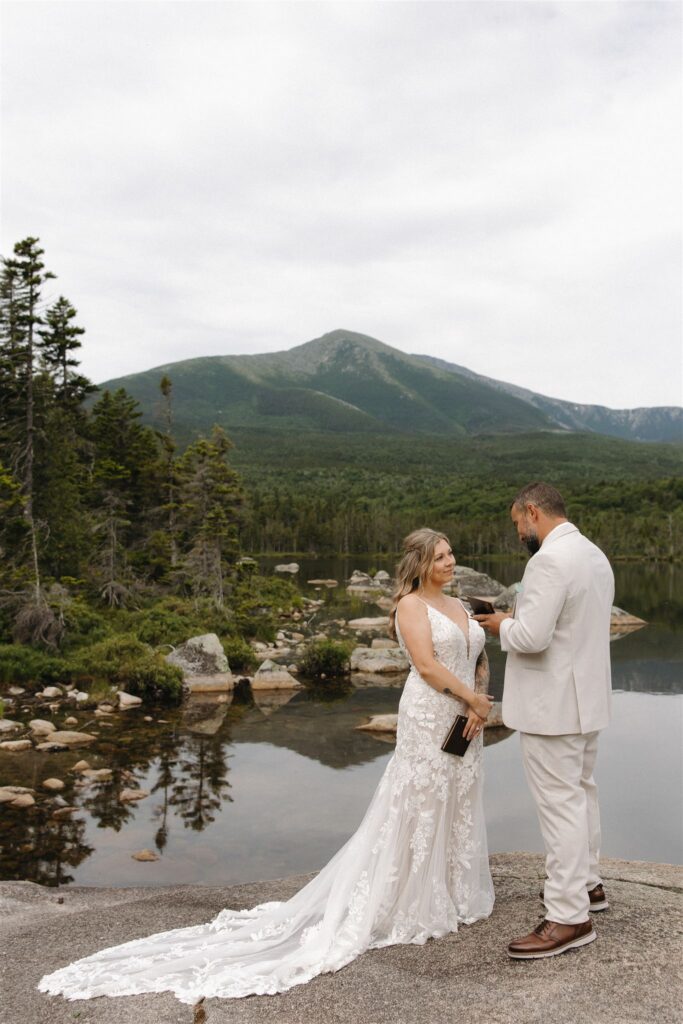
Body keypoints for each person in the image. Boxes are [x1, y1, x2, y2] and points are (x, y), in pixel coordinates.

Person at [39, 528, 495, 1006]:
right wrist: (472, 699)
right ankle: (410, 899)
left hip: (466, 714)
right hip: (432, 713)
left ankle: (452, 890)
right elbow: (424, 665)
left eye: (451, 554)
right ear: (420, 563)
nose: (450, 561)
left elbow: (476, 655)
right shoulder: (410, 607)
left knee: (458, 794)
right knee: (419, 800)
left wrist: (477, 697)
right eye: (440, 556)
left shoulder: (460, 606)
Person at [476, 482, 614, 959]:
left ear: (532, 512)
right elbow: (570, 624)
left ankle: (568, 917)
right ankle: (588, 886)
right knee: (581, 794)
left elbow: (532, 637)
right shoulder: (593, 554)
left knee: (560, 807)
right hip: (587, 700)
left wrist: (500, 626)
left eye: (518, 525)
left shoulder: (548, 560)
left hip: (553, 707)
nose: (520, 535)